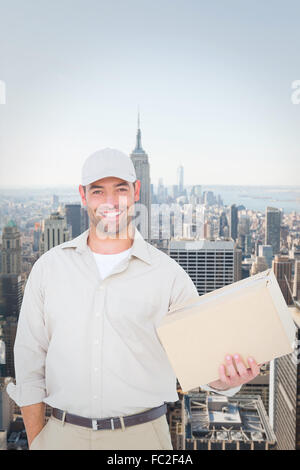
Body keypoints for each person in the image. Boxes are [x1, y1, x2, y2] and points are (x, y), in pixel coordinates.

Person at [6, 148, 261, 450]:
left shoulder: (169, 276)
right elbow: (29, 365)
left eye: (121, 189)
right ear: (83, 195)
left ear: (136, 191)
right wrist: (38, 442)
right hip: (62, 435)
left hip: (142, 439)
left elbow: (199, 364)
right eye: (98, 191)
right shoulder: (49, 268)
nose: (111, 202)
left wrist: (229, 380)